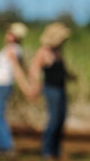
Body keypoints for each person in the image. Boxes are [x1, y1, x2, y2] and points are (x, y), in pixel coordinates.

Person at [30, 22, 73, 160]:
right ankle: (47, 151)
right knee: (54, 121)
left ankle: (57, 150)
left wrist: (71, 76)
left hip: (61, 90)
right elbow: (34, 70)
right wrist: (36, 85)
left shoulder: (58, 52)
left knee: (61, 120)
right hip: (51, 90)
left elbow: (63, 70)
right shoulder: (44, 52)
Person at [0, 22, 30, 158]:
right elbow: (23, 67)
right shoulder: (13, 49)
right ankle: (3, 146)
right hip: (1, 86)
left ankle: (6, 147)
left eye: (10, 33)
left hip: (4, 86)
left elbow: (17, 69)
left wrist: (26, 87)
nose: (7, 35)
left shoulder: (12, 49)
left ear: (15, 37)